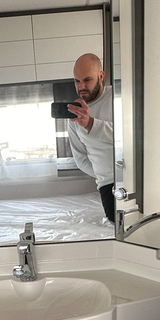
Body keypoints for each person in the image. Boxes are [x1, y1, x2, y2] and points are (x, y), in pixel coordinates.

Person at [66, 53, 116, 222]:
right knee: (119, 230)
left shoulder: (119, 96)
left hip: (136, 175)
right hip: (107, 184)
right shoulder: (74, 116)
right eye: (77, 81)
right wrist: (104, 172)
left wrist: (90, 124)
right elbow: (80, 159)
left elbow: (131, 136)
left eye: (87, 80)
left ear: (101, 76)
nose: (81, 87)